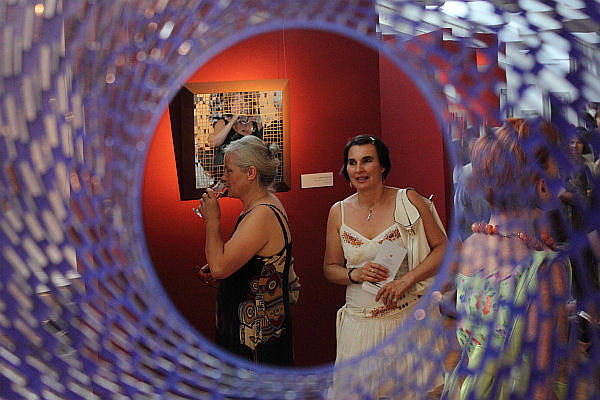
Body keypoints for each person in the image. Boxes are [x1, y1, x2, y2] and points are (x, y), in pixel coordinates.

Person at [442, 118, 571, 399]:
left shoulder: (470, 246)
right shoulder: (545, 268)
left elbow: (465, 347)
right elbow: (541, 383)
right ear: (542, 186)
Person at [323, 134, 447, 395]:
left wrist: (407, 280)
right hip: (359, 326)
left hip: (405, 321)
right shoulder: (338, 211)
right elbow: (330, 268)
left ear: (382, 166)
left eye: (367, 160)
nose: (359, 169)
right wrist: (356, 274)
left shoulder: (409, 200)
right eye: (352, 162)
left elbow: (443, 249)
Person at [195, 135, 293, 366]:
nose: (223, 177)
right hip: (249, 330)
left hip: (254, 338)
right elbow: (252, 263)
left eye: (229, 171)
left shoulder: (262, 214)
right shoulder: (260, 207)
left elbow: (219, 268)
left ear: (251, 173)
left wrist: (212, 220)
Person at [209, 92, 264, 167]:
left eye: (244, 101)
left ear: (249, 105)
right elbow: (215, 142)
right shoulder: (222, 123)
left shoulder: (257, 126)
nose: (240, 104)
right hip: (229, 169)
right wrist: (233, 119)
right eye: (236, 100)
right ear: (230, 105)